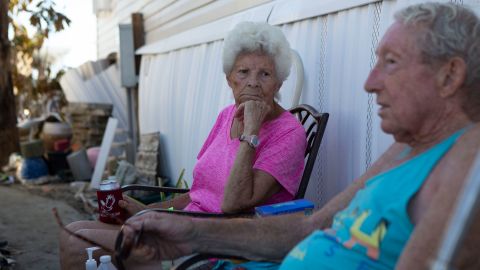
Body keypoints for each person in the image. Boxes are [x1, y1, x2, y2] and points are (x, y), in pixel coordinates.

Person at [117, 3, 480, 269]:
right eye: (242, 72)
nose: (370, 83)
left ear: (449, 76)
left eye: (391, 62)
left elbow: (233, 204)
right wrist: (187, 234)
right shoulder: (405, 148)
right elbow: (309, 226)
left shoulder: (465, 166)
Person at [59, 22, 307, 269]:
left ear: (278, 84)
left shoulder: (288, 133)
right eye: (243, 72)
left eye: (265, 74)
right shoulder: (226, 116)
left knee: (76, 246)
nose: (253, 82)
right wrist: (149, 210)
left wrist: (252, 130)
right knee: (72, 230)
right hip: (185, 223)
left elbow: (233, 204)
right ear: (229, 79)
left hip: (220, 242)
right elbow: (199, 193)